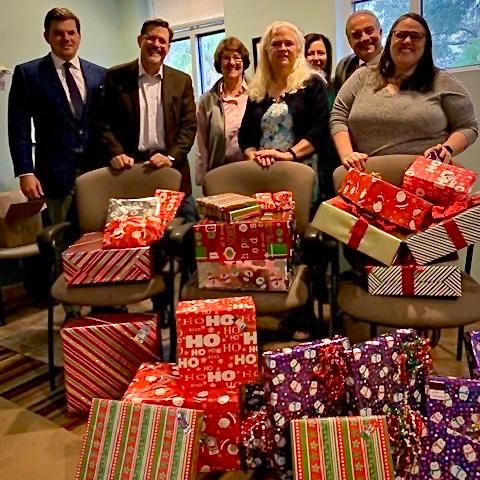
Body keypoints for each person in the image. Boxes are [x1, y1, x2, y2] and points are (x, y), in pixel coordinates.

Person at [330, 12, 478, 171]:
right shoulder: (361, 76)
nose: (407, 41)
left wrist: (447, 148)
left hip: (426, 177)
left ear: (426, 43)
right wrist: (348, 155)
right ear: (390, 39)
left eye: (415, 36)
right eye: (400, 35)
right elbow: (338, 116)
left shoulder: (444, 81)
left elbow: (468, 126)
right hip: (366, 177)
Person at [8, 7, 106, 226]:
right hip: (54, 176)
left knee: (97, 234)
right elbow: (18, 128)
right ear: (47, 37)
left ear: (79, 35)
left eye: (71, 32)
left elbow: (108, 123)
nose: (66, 38)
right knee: (62, 237)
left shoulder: (100, 74)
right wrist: (25, 172)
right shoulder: (28, 74)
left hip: (96, 171)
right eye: (58, 33)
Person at [99, 18, 197, 220]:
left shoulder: (182, 81)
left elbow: (189, 126)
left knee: (188, 228)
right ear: (140, 40)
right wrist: (116, 152)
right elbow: (103, 122)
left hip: (172, 170)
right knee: (136, 231)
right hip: (131, 172)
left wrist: (170, 157)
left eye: (162, 41)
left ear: (169, 47)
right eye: (151, 38)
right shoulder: (115, 76)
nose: (156, 45)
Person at [238, 21, 330, 208]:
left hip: (302, 173)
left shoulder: (313, 83)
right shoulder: (258, 90)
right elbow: (245, 136)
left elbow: (320, 129)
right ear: (266, 50)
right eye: (276, 44)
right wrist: (254, 156)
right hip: (264, 175)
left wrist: (288, 155)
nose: (283, 48)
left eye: (289, 43)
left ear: (299, 49)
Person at [196, 37, 250, 189]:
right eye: (226, 58)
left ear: (244, 62)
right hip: (220, 174)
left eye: (237, 57)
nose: (232, 62)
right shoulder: (207, 100)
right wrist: (203, 179)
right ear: (219, 63)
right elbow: (202, 144)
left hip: (252, 173)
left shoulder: (258, 93)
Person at [334, 10, 383, 92]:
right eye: (356, 35)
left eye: (369, 31)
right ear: (349, 41)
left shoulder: (397, 65)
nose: (364, 38)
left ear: (380, 33)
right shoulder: (343, 67)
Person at [304, 33, 335, 109]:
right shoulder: (294, 90)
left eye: (320, 53)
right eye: (310, 54)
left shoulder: (335, 88)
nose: (316, 58)